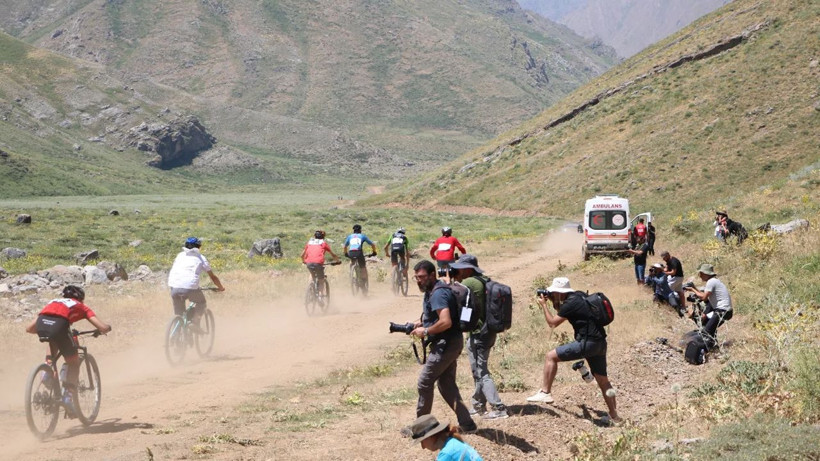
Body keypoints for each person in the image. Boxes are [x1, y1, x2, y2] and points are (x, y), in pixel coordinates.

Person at [527, 277, 621, 425]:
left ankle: (545, 393)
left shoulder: (570, 303)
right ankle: (615, 416)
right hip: (600, 343)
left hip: (587, 343)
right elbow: (564, 312)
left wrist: (544, 305)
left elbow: (552, 323)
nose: (551, 294)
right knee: (603, 380)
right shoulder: (579, 295)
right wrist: (553, 301)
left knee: (550, 356)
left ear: (559, 291)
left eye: (553, 292)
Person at [409, 260, 477, 432]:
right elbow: (436, 316)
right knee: (446, 384)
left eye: (422, 277)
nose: (419, 281)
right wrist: (419, 323)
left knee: (425, 382)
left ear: (432, 275)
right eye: (416, 277)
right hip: (450, 342)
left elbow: (445, 322)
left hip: (446, 343)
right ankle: (467, 424)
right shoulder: (433, 289)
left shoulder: (438, 293)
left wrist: (425, 331)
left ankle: (421, 428)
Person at [25, 285, 112, 415]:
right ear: (81, 298)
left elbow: (29, 328)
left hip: (43, 322)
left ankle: (47, 370)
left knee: (52, 338)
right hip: (60, 325)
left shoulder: (53, 302)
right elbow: (102, 327)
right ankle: (68, 398)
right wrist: (107, 328)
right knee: (73, 363)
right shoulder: (81, 306)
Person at [450, 254, 508, 420]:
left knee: (482, 372)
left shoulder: (469, 282)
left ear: (468, 269)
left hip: (478, 333)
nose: (457, 271)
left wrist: (450, 281)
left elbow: (453, 294)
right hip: (487, 331)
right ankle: (478, 404)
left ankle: (498, 407)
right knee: (477, 370)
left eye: (460, 268)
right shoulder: (483, 280)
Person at [168, 237, 225, 331]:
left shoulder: (180, 255)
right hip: (190, 287)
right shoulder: (201, 258)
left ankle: (176, 336)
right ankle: (195, 322)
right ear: (198, 247)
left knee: (179, 314)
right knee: (201, 303)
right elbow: (213, 277)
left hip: (174, 286)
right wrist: (221, 288)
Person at [683, 264, 733, 349]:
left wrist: (692, 289)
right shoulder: (714, 281)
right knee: (707, 326)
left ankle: (706, 348)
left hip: (722, 310)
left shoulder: (711, 281)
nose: (700, 276)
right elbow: (705, 297)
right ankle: (714, 346)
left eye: (701, 274)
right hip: (724, 310)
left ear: (706, 273)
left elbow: (703, 297)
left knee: (706, 331)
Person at [404, 414, 483, 461]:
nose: (423, 447)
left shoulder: (447, 453)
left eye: (422, 441)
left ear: (431, 436)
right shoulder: (454, 442)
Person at [301, 230, 340, 298]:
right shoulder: (323, 243)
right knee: (321, 280)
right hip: (318, 263)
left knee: (312, 274)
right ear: (323, 237)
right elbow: (333, 255)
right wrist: (338, 261)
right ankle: (320, 296)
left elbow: (302, 255)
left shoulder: (309, 243)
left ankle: (310, 289)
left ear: (314, 236)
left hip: (309, 263)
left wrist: (304, 261)